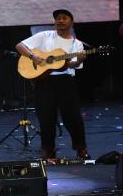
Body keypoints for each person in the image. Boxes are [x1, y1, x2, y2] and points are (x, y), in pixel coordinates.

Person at [15, 9, 90, 160]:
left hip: (65, 81)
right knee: (46, 117)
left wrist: (80, 60)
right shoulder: (44, 36)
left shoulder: (77, 44)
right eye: (57, 19)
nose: (60, 21)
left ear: (71, 22)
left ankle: (81, 148)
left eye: (64, 18)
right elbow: (19, 46)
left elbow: (74, 65)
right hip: (44, 81)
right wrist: (33, 56)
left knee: (73, 117)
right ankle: (47, 151)